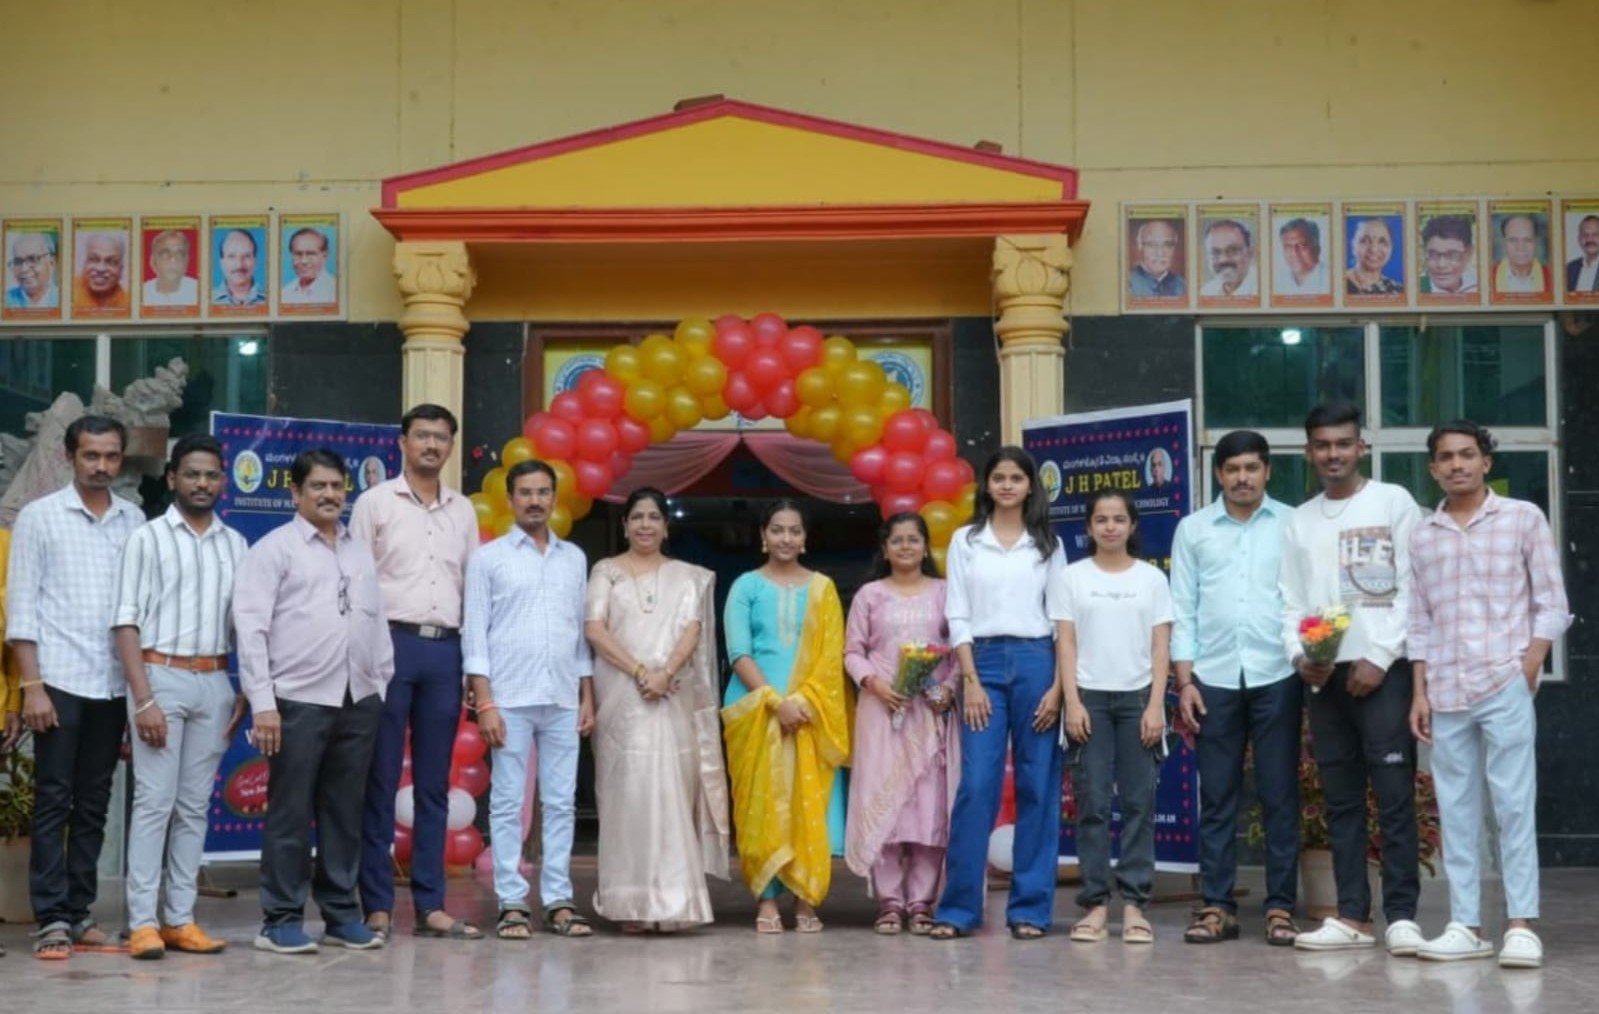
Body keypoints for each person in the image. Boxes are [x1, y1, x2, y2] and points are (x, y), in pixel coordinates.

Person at [1408, 421, 1570, 970]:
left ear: (1486, 463)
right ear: (1433, 469)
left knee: (1513, 805)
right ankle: (1466, 925)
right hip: (1445, 688)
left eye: (1466, 455)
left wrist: (1530, 662)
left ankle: (1521, 925)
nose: (1457, 465)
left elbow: (1551, 601)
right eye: (1446, 457)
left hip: (1504, 680)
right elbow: (1419, 620)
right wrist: (1419, 691)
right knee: (1456, 811)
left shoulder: (1522, 518)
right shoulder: (1423, 535)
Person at [234, 449, 394, 954]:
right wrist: (263, 703)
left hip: (358, 697)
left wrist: (381, 682)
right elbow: (251, 629)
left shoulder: (358, 550)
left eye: (336, 486)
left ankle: (341, 914)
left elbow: (376, 620)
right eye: (318, 486)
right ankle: (280, 919)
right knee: (290, 811)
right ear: (295, 493)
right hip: (297, 700)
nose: (329, 495)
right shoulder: (273, 550)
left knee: (344, 811)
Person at [1281, 403, 1425, 956]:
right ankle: (1351, 916)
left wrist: (1382, 656)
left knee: (1394, 797)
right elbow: (1291, 601)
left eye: (1343, 443)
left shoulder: (1393, 502)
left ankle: (1402, 916)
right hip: (1324, 676)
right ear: (1309, 453)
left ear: (1361, 447)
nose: (1333, 454)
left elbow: (1412, 586)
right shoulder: (1300, 520)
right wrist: (1302, 657)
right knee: (1340, 800)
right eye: (1322, 445)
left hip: (1382, 673)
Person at [6, 416, 141, 960]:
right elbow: (21, 608)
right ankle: (52, 918)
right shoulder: (40, 517)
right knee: (54, 799)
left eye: (111, 456)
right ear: (70, 457)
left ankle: (80, 911)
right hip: (58, 680)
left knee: (94, 802)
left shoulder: (134, 520)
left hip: (112, 683)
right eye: (91, 455)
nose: (101, 466)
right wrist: (32, 687)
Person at [111, 434, 249, 960]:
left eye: (211, 474)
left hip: (215, 680)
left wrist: (245, 686)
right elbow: (125, 622)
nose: (202, 483)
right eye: (192, 473)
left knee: (194, 807)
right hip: (160, 676)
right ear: (172, 478)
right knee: (154, 803)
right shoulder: (147, 539)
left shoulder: (236, 545)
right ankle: (143, 923)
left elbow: (246, 626)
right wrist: (143, 699)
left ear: (223, 481)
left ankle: (180, 919)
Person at [353, 405, 483, 942]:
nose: (431, 445)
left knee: (435, 785)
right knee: (380, 779)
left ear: (451, 447)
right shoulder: (374, 503)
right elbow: (355, 584)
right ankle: (377, 906)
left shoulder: (463, 511)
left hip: (445, 651)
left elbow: (474, 589)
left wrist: (472, 665)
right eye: (422, 436)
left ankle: (431, 905)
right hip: (389, 646)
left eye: (441, 438)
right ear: (403, 442)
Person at [929, 447, 1066, 941]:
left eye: (1016, 478)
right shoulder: (966, 540)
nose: (1007, 485)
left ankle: (1030, 909)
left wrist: (1057, 689)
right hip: (981, 663)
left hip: (1038, 662)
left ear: (1030, 486)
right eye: (999, 477)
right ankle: (958, 910)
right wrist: (969, 680)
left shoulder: (1047, 543)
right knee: (977, 785)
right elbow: (957, 614)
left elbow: (1061, 619)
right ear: (986, 485)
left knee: (1038, 785)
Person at [1172, 430, 1301, 947]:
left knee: (1279, 794)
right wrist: (1185, 681)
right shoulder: (1194, 529)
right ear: (1217, 474)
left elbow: (1305, 598)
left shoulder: (1292, 524)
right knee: (1218, 797)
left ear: (1267, 471)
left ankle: (1281, 907)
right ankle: (1217, 906)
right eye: (1232, 469)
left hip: (1279, 674)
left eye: (1251, 468)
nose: (1242, 478)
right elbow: (1182, 608)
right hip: (1214, 678)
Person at [582, 487, 728, 932]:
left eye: (653, 517)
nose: (645, 525)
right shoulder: (606, 571)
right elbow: (595, 628)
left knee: (670, 795)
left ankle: (674, 902)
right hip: (621, 698)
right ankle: (630, 903)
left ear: (666, 527)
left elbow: (692, 629)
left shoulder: (688, 577)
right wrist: (642, 671)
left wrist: (666, 673)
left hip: (671, 696)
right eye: (637, 517)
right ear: (625, 525)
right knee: (627, 797)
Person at [464, 459, 595, 940]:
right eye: (525, 493)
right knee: (506, 802)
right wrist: (485, 702)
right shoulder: (488, 559)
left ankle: (558, 900)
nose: (535, 501)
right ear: (510, 499)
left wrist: (587, 694)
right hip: (509, 698)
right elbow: (474, 634)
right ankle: (512, 901)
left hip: (562, 696)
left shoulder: (573, 558)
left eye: (543, 492)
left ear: (554, 499)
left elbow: (579, 634)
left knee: (560, 803)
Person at [722, 499, 849, 934]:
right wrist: (778, 703)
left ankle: (806, 899)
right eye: (777, 529)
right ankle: (767, 899)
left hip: (811, 711)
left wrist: (803, 703)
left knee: (808, 806)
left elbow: (831, 657)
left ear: (805, 538)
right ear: (763, 536)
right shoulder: (745, 586)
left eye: (794, 530)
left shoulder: (823, 588)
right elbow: (738, 652)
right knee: (762, 806)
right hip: (756, 710)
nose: (786, 538)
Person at [1060, 491, 1172, 945]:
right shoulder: (1072, 577)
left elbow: (1161, 646)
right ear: (1089, 527)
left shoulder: (1152, 579)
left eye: (1119, 519)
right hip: (1089, 698)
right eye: (1102, 519)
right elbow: (1066, 643)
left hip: (1138, 698)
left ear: (1132, 526)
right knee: (1092, 804)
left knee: (1140, 803)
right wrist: (1072, 702)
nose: (1110, 527)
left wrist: (1155, 705)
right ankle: (1094, 905)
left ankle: (1134, 906)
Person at [843, 512, 958, 937]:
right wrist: (875, 684)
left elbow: (960, 648)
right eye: (897, 540)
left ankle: (922, 901)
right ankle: (890, 902)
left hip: (929, 713)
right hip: (881, 710)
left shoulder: (945, 592)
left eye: (913, 539)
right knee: (885, 800)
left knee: (928, 804)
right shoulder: (869, 595)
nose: (906, 546)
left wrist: (948, 689)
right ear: (885, 548)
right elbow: (852, 652)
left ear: (926, 547)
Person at [1492, 215, 1551, 296]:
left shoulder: (1552, 276)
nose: (1520, 247)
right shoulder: (1488, 276)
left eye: (1527, 240)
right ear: (1504, 243)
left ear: (1536, 242)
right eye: (1513, 240)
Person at [1345, 217, 1405, 296]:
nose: (1374, 249)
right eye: (1365, 241)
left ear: (1391, 247)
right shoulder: (1336, 283)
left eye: (1382, 242)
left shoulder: (1398, 290)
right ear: (1353, 246)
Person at [1420, 215, 1478, 295]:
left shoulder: (1480, 284)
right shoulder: (1416, 289)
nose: (1441, 265)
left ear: (1468, 253)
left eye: (1452, 255)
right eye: (1433, 254)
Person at [1200, 218, 1258, 298]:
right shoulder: (1206, 292)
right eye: (1215, 252)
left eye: (1233, 251)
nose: (1223, 260)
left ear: (1250, 253)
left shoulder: (1264, 288)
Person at [1128, 219, 1185, 298]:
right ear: (1140, 245)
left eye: (1167, 245)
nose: (1160, 253)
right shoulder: (1126, 283)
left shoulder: (1182, 286)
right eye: (1152, 245)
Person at [72, 233, 130, 312]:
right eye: (94, 259)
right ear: (84, 264)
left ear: (121, 270)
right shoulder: (68, 292)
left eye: (111, 262)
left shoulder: (128, 303)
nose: (100, 269)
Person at [141, 230, 199, 307]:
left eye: (179, 254)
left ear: (186, 261)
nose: (173, 260)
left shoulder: (200, 291)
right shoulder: (141, 293)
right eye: (165, 254)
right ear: (153, 261)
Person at [281, 228, 337, 305]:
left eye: (310, 254)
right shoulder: (284, 293)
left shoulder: (336, 291)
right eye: (298, 254)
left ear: (325, 256)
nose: (304, 261)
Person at [4, 231, 60, 308]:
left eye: (32, 259)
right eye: (18, 261)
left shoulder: (64, 298)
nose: (24, 269)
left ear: (51, 263)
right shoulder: (5, 301)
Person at [1276, 218, 1329, 295]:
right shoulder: (1279, 281)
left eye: (1302, 245)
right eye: (1288, 247)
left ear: (1317, 248)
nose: (1294, 253)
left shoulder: (1331, 279)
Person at [213, 229, 265, 307]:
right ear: (222, 262)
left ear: (255, 261)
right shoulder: (207, 300)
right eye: (231, 256)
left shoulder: (273, 299)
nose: (239, 265)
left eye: (246, 256)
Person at [1565, 214, 1599, 294]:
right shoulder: (1569, 269)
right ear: (1579, 239)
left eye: (1595, 234)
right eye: (1585, 235)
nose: (1589, 239)